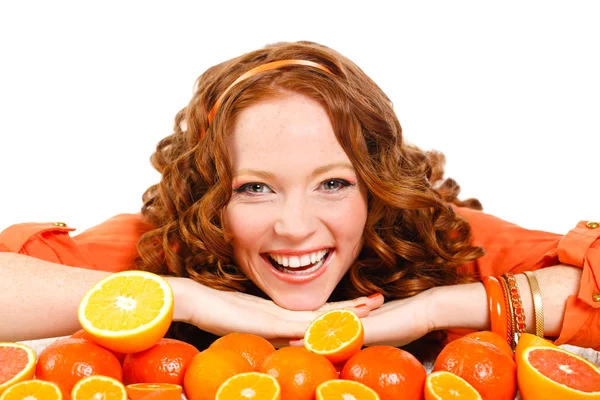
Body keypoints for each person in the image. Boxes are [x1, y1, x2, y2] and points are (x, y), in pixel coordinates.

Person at [1, 41, 598, 353]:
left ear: (377, 189)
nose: (294, 227)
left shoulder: (437, 237)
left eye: (333, 184)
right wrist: (183, 298)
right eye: (255, 188)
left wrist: (433, 309)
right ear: (210, 199)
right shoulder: (163, 246)